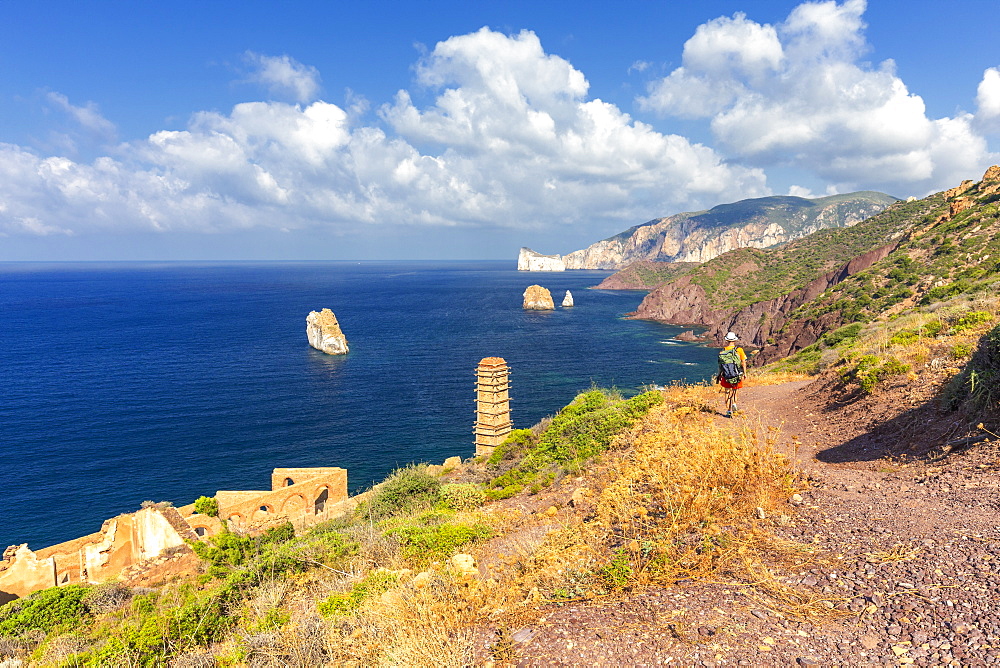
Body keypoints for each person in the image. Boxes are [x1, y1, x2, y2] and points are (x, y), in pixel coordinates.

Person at [716, 331, 748, 417]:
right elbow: (743, 362)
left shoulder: (722, 351)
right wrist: (745, 373)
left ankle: (728, 411)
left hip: (726, 375)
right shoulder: (739, 350)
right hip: (737, 375)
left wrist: (719, 375)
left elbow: (720, 366)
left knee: (727, 392)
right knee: (735, 392)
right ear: (734, 340)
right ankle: (734, 404)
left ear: (727, 340)